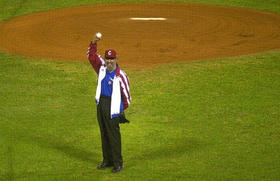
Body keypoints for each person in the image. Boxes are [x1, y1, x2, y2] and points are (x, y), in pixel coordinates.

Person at [87, 33, 131, 173]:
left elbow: (127, 97)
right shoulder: (101, 68)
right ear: (105, 59)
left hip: (113, 106)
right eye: (108, 58)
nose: (110, 61)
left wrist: (120, 109)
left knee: (114, 135)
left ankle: (118, 163)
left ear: (116, 59)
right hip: (101, 104)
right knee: (104, 133)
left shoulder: (121, 75)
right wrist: (94, 42)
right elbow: (92, 57)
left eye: (112, 59)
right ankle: (107, 160)